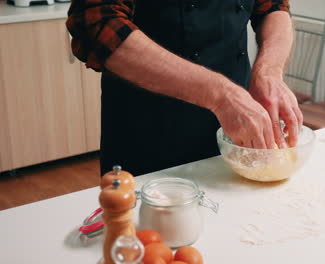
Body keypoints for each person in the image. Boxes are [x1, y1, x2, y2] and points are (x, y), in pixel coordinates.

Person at [66, 0, 303, 176]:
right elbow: (97, 24)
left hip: (236, 133)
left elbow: (273, 8)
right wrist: (221, 95)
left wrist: (269, 71)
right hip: (151, 136)